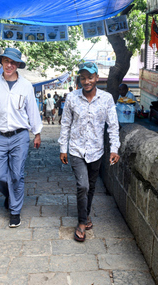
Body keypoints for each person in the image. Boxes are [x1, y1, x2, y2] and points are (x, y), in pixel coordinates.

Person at [0, 48, 42, 228]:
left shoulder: (26, 86)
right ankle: (10, 196)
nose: (9, 65)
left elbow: (32, 112)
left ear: (18, 64)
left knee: (17, 174)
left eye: (13, 62)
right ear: (1, 62)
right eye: (6, 61)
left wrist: (37, 133)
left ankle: (14, 211)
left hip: (19, 136)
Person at [58, 62, 120, 242]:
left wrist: (114, 148)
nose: (86, 81)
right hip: (76, 149)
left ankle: (86, 214)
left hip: (97, 151)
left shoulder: (107, 99)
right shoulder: (71, 98)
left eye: (90, 77)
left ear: (96, 78)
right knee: (83, 185)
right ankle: (82, 223)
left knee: (91, 187)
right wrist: (63, 148)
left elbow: (113, 126)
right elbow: (66, 124)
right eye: (83, 78)